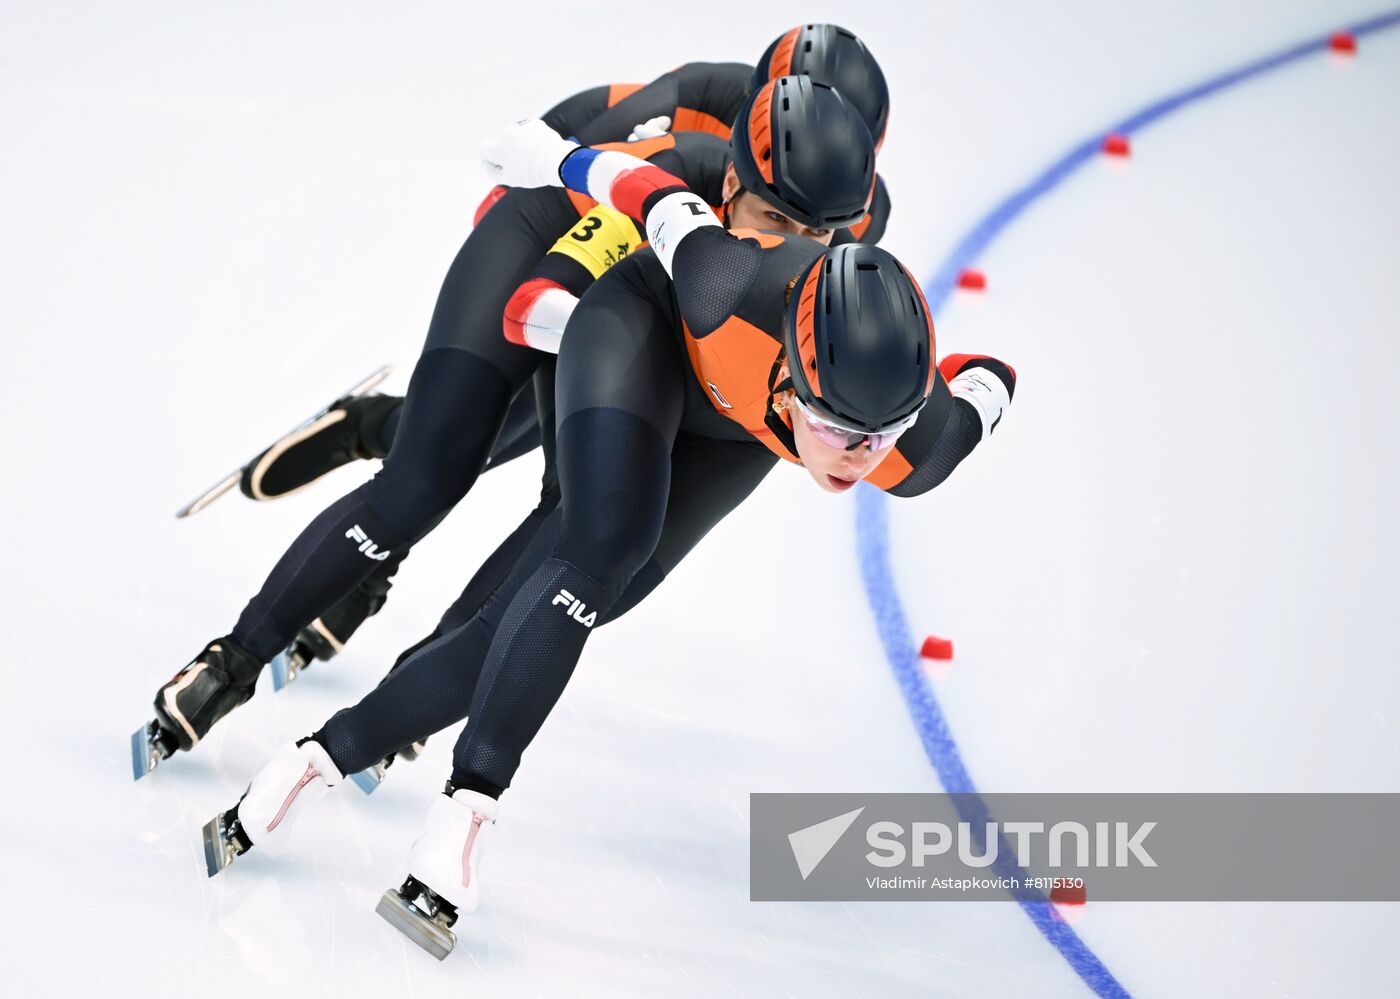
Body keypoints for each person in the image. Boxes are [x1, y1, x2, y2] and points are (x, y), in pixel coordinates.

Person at [202, 101, 1016, 960]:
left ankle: (311, 761)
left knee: (554, 612)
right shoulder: (721, 278)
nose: (856, 457)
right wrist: (552, 156)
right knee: (598, 555)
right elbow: (646, 188)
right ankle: (467, 812)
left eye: (880, 436)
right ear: (795, 387)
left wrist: (955, 389)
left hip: (734, 427)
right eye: (838, 428)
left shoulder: (918, 450)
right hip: (642, 332)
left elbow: (991, 374)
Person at [135, 50, 894, 775]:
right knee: (435, 470)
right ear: (737, 175)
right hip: (548, 252)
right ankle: (232, 660)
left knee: (569, 535)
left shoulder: (854, 231)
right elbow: (541, 293)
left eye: (819, 232)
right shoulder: (679, 165)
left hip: (651, 327)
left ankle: (411, 677)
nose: (794, 247)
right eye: (776, 217)